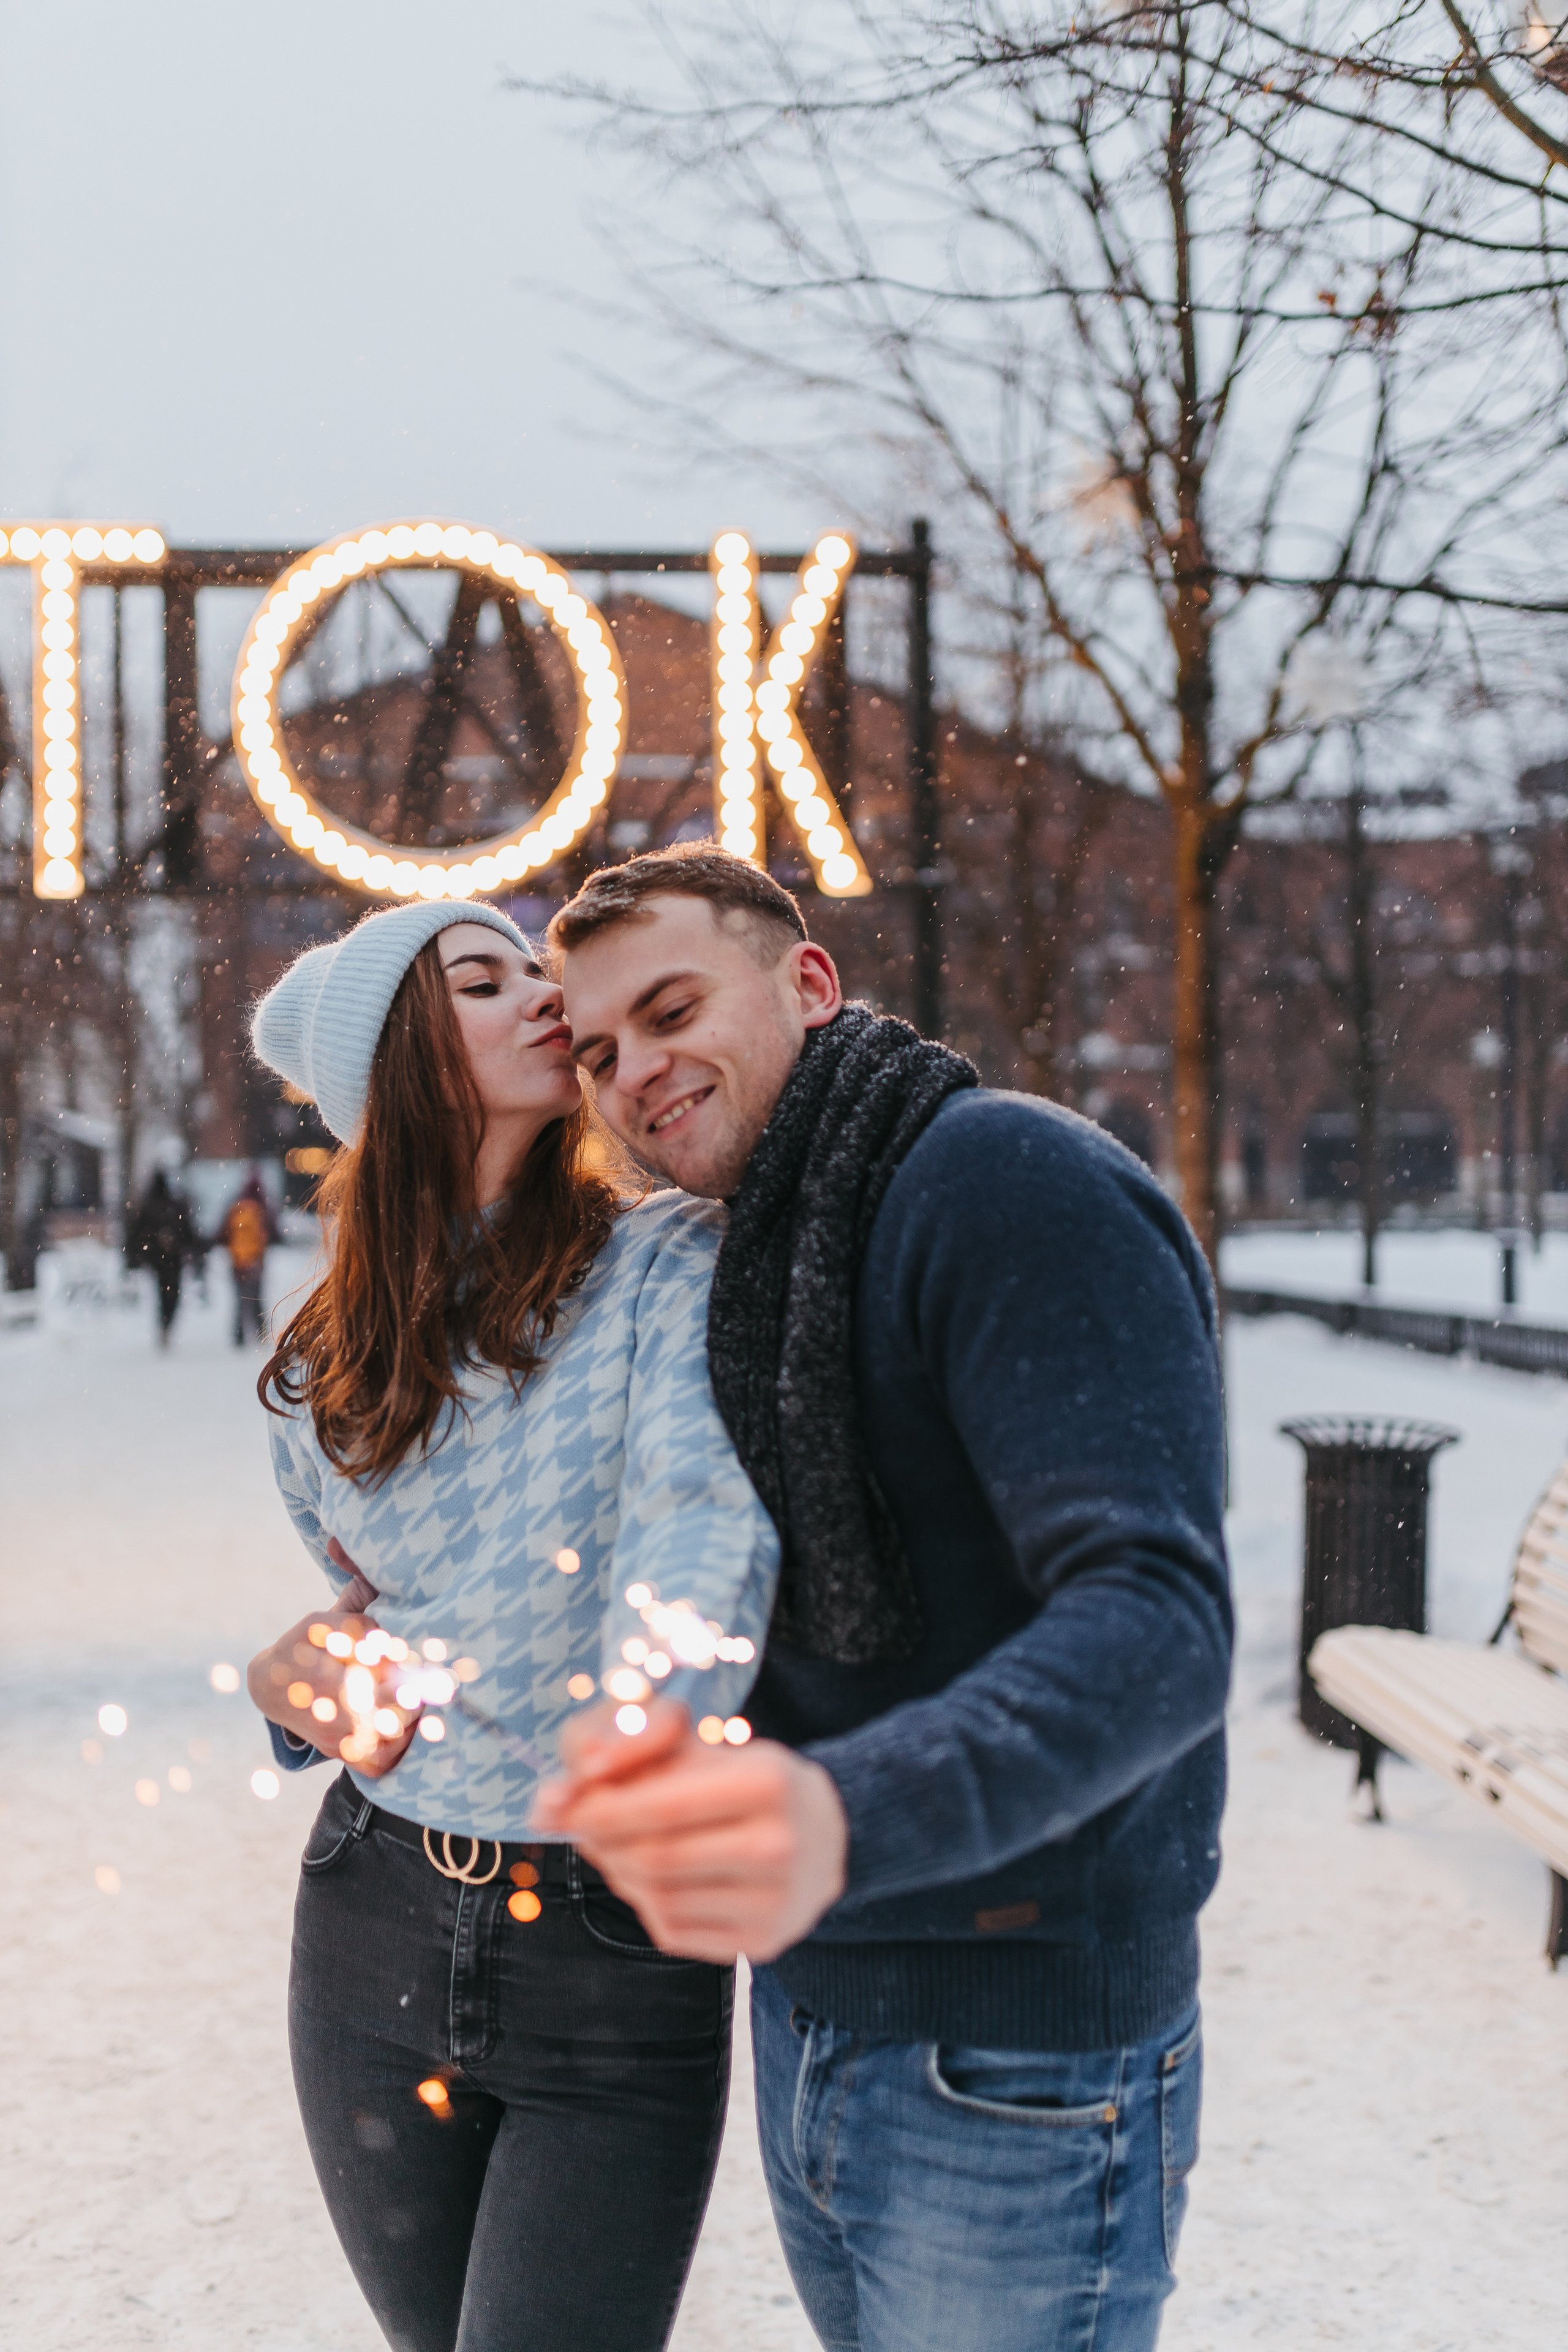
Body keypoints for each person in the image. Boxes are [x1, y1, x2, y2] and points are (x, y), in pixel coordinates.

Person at [535, 844, 1232, 2352]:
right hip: (818, 2004)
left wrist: (841, 1813)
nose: (634, 1071)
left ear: (807, 981)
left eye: (669, 1008)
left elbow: (1157, 1618)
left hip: (1017, 2044)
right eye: (596, 1051)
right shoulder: (744, 1250)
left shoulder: (1002, 1179)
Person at [241, 899, 778, 2352]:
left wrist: (650, 1722)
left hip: (602, 1932)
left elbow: (699, 1523)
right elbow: (367, 1622)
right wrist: (291, 1684)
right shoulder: (320, 1369)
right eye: (485, 979)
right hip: (369, 1911)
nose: (543, 993)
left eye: (539, 968)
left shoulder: (668, 1263)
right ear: (402, 1061)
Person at [124, 1169, 203, 1348]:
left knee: (163, 1293)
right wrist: (193, 1250)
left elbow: (136, 1235)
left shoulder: (147, 1208)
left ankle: (164, 1324)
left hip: (157, 1260)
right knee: (173, 1293)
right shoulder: (175, 1206)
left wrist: (135, 1256)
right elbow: (188, 1232)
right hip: (174, 1258)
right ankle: (167, 1323)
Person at [221, 1167, 278, 1346]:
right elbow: (274, 1233)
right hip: (256, 1260)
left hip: (237, 1260)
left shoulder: (236, 1207)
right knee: (257, 1297)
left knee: (240, 1297)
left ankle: (239, 1334)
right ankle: (261, 1334)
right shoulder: (262, 1207)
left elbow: (223, 1233)